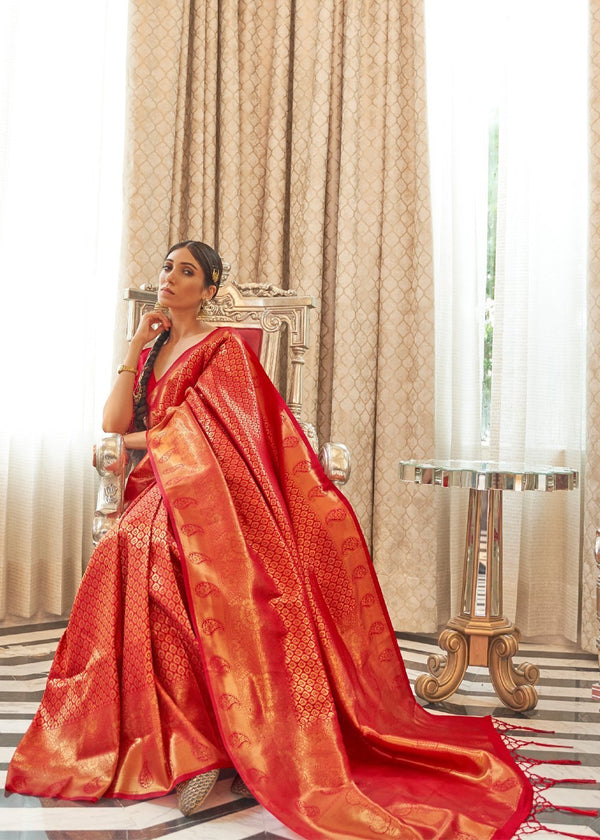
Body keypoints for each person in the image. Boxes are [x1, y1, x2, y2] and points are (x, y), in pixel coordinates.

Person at [6, 240, 534, 839]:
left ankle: (202, 744)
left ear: (209, 291)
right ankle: (159, 737)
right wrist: (134, 344)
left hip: (217, 491)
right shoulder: (154, 347)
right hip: (160, 482)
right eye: (167, 268)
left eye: (187, 272)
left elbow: (217, 430)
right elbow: (113, 422)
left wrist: (145, 443)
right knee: (128, 547)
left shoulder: (223, 346)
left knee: (159, 553)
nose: (170, 278)